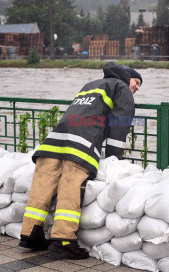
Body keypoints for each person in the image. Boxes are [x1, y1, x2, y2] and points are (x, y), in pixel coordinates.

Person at [19, 62, 142, 259]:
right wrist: (114, 158)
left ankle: (30, 233)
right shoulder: (121, 88)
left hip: (54, 140)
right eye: (136, 83)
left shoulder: (90, 85)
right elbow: (120, 124)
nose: (136, 88)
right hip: (81, 144)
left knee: (42, 185)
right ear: (127, 77)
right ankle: (63, 239)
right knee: (71, 185)